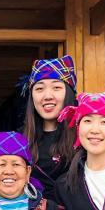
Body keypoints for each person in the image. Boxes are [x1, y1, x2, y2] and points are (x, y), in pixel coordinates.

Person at [22, 55, 78, 202]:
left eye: (56, 87)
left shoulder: (85, 138)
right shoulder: (20, 141)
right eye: (39, 88)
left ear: (69, 93)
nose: (47, 96)